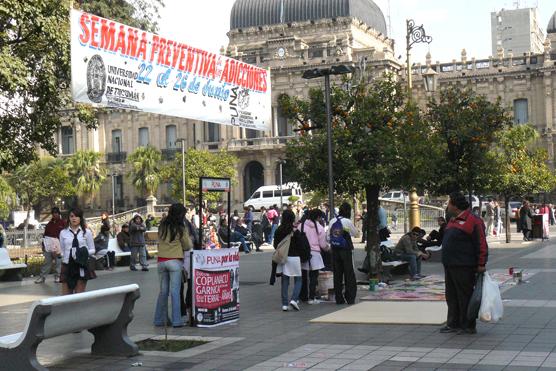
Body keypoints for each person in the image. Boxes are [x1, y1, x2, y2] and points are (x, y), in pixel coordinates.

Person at [440, 192, 488, 335]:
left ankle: (468, 325)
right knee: (452, 295)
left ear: (455, 206)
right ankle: (453, 323)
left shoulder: (474, 221)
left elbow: (481, 243)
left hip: (464, 265)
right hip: (450, 265)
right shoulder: (452, 220)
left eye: (449, 203)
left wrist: (481, 263)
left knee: (464, 296)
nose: (447, 206)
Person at [154, 203, 192, 328]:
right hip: (175, 261)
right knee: (175, 292)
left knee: (163, 292)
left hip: (161, 261)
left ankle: (159, 319)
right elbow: (187, 246)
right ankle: (177, 321)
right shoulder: (180, 227)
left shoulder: (162, 225)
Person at [274, 209, 306, 311]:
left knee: (285, 280)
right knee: (298, 279)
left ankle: (284, 304)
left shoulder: (278, 230)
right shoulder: (295, 231)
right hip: (295, 257)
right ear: (292, 218)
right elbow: (301, 245)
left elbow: (275, 245)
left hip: (283, 257)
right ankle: (294, 299)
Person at [59, 208, 96, 295]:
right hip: (67, 265)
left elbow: (93, 249)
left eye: (76, 216)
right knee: (66, 295)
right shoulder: (63, 232)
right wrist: (61, 254)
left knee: (79, 294)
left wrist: (82, 253)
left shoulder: (86, 232)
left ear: (80, 218)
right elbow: (62, 250)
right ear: (69, 218)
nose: (74, 218)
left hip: (81, 265)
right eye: (72, 216)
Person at [329, 202, 360, 305]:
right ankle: (350, 297)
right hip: (345, 250)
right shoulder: (347, 221)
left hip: (334, 250)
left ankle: (339, 298)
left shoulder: (332, 221)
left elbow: (327, 237)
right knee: (349, 274)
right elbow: (356, 234)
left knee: (337, 274)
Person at [299, 209, 329, 304]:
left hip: (303, 253)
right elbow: (323, 244)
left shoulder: (301, 225)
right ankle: (312, 297)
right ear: (318, 217)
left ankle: (303, 296)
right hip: (315, 254)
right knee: (313, 277)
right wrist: (328, 249)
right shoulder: (319, 228)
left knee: (303, 276)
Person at [36, 207, 66, 284]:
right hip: (48, 246)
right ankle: (42, 277)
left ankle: (57, 276)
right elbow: (45, 236)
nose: (54, 214)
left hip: (58, 246)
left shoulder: (63, 223)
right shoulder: (49, 224)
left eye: (56, 213)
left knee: (58, 262)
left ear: (59, 213)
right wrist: (43, 246)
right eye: (53, 213)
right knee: (47, 262)